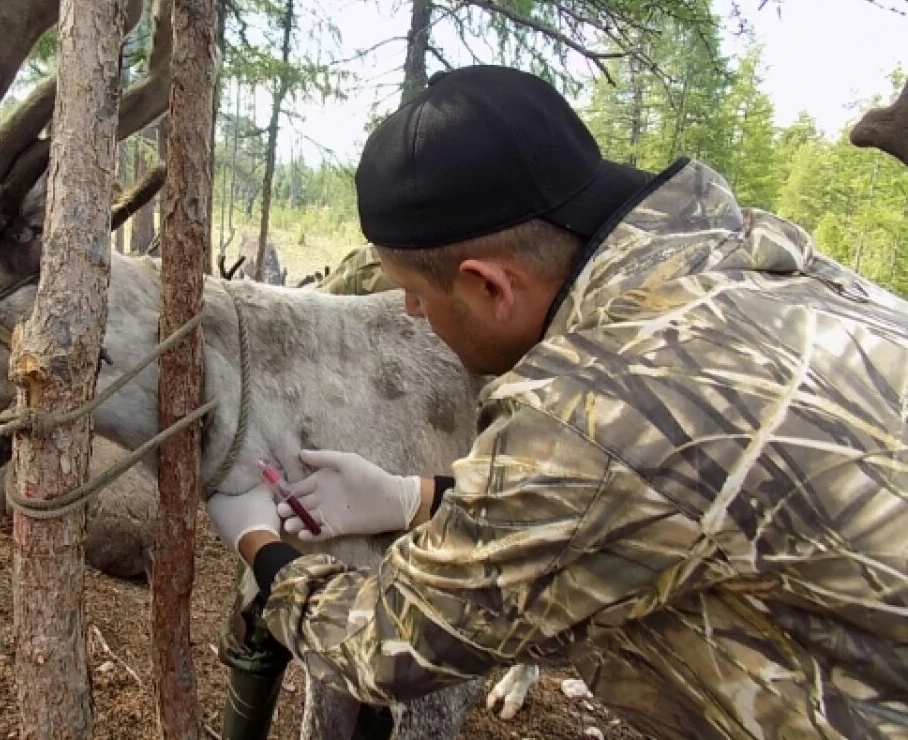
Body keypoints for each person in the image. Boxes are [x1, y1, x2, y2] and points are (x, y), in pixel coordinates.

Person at [206, 65, 908, 739]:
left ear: (489, 286)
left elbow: (385, 644)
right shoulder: (742, 246)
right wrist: (412, 496)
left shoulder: (589, 408)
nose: (412, 312)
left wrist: (262, 548)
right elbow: (665, 495)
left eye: (414, 292)